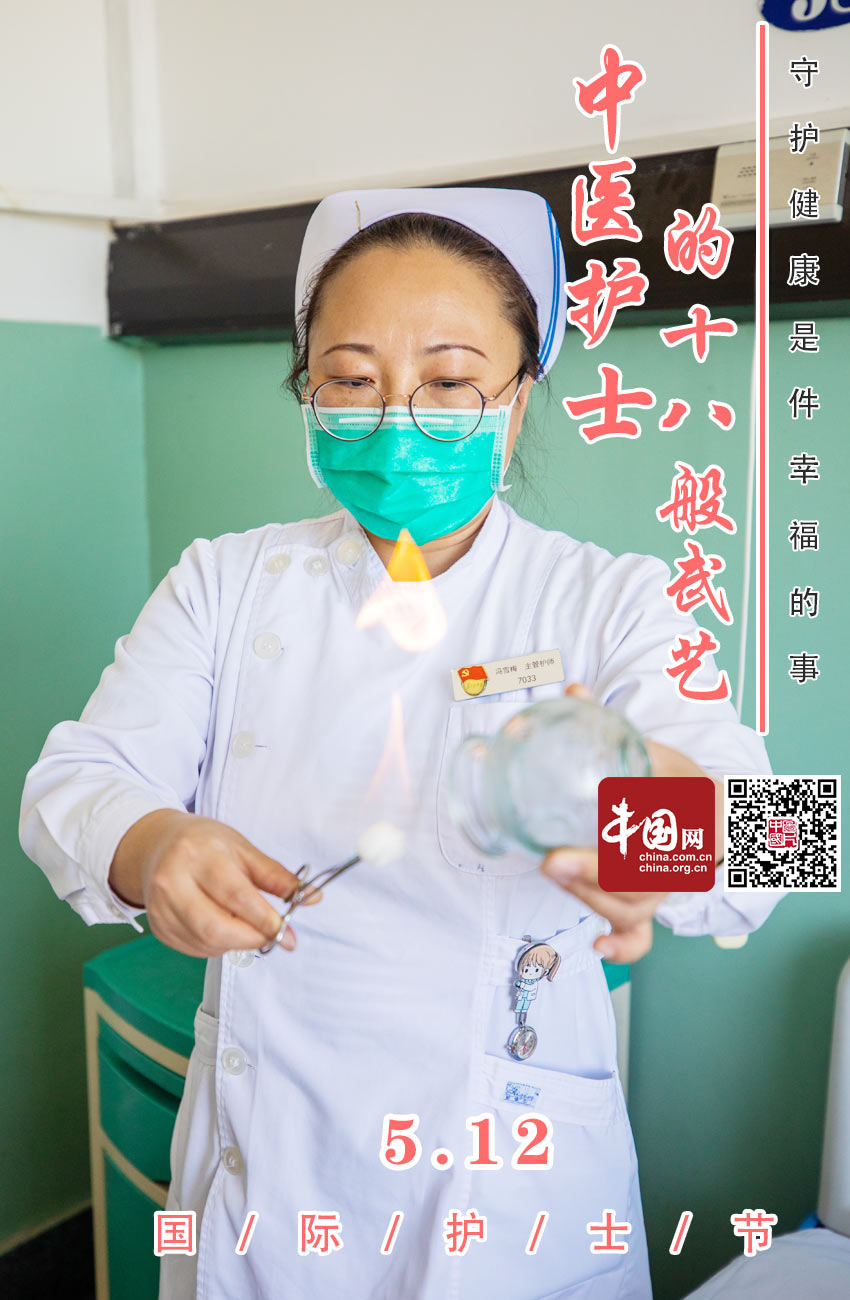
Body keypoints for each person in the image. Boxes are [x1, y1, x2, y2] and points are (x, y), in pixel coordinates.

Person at [19, 186, 786, 1300]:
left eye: (450, 380)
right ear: (307, 390)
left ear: (519, 396)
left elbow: (776, 843)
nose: (396, 416)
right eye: (351, 379)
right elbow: (75, 780)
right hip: (269, 1191)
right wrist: (150, 844)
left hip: (506, 1203)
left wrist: (648, 822)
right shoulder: (227, 584)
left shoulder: (610, 602)